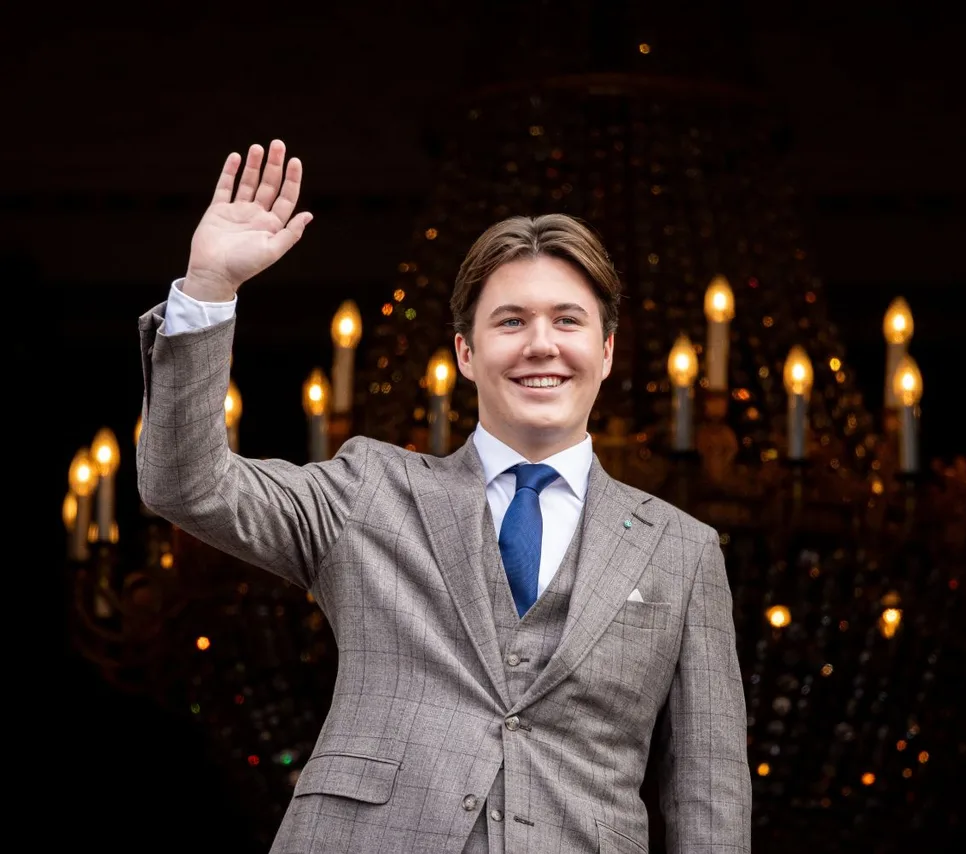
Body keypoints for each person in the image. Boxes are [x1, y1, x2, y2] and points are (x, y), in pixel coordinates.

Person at [137, 139, 751, 854]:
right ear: (466, 351)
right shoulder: (368, 490)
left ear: (607, 351)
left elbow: (708, 790)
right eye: (511, 321)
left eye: (568, 320)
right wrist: (210, 288)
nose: (541, 345)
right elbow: (187, 484)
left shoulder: (682, 550)